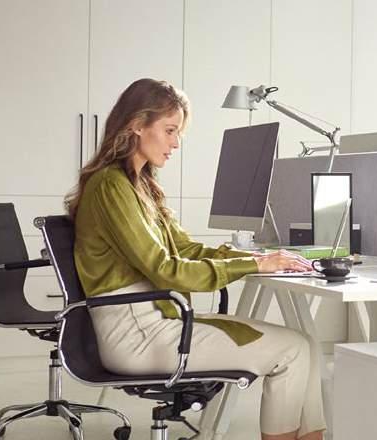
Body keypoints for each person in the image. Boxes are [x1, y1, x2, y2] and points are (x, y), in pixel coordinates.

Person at [65, 78, 326, 440]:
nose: (176, 143)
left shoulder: (140, 186)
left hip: (158, 321)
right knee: (293, 350)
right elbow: (166, 270)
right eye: (169, 130)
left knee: (307, 345)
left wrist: (254, 257)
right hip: (138, 335)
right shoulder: (111, 186)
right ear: (137, 124)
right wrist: (254, 265)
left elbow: (185, 250)